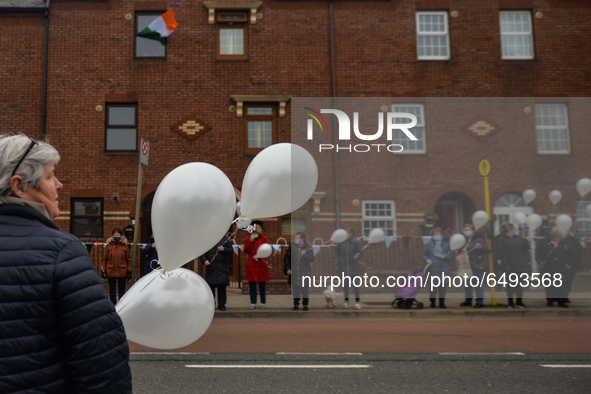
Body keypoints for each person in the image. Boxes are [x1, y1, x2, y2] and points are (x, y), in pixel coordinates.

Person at [0, 134, 131, 393]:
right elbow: (102, 364)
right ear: (19, 185)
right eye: (50, 176)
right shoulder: (62, 252)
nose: (59, 185)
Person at [536, 227, 581, 308]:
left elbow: (572, 254)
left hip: (562, 267)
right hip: (548, 267)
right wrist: (540, 261)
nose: (553, 233)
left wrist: (570, 264)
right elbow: (538, 252)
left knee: (562, 284)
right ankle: (550, 300)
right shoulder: (544, 242)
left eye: (555, 232)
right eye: (552, 231)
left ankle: (561, 301)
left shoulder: (566, 243)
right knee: (549, 284)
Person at [495, 222, 530, 309]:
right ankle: (510, 302)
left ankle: (519, 301)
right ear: (509, 230)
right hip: (510, 266)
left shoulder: (519, 238)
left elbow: (526, 249)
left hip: (520, 265)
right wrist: (506, 265)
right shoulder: (501, 239)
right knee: (511, 285)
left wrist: (527, 242)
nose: (516, 230)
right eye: (514, 229)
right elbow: (501, 254)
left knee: (520, 285)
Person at [457, 223, 490, 308]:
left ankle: (480, 301)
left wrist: (480, 247)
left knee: (478, 283)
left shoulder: (478, 239)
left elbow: (485, 250)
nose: (466, 232)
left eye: (468, 230)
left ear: (473, 231)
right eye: (465, 230)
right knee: (467, 284)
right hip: (466, 265)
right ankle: (468, 300)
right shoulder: (462, 240)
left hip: (477, 264)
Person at [201, 228, 234, 311]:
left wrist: (224, 249)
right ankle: (212, 304)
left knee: (222, 288)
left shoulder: (225, 240)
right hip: (211, 268)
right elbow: (202, 253)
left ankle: (221, 305)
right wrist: (205, 260)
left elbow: (231, 250)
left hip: (221, 267)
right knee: (211, 288)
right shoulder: (208, 241)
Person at [422, 227, 453, 308]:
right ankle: (432, 302)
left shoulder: (446, 245)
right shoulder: (429, 244)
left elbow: (450, 256)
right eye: (434, 234)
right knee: (433, 287)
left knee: (442, 287)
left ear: (442, 235)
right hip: (433, 268)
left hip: (443, 268)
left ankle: (442, 302)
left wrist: (445, 257)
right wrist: (427, 259)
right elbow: (424, 254)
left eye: (438, 234)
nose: (435, 236)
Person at [284, 232, 315, 310]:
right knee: (296, 288)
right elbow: (287, 257)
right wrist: (288, 268)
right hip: (295, 271)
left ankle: (305, 304)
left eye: (297, 238)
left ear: (302, 239)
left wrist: (305, 255)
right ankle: (296, 304)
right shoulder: (292, 246)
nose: (295, 240)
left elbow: (312, 258)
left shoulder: (308, 247)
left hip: (305, 271)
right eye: (295, 238)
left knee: (304, 289)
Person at [101, 228, 132, 304]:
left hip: (122, 270)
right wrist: (103, 270)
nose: (116, 236)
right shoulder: (108, 246)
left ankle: (121, 305)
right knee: (112, 291)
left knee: (122, 291)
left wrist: (129, 270)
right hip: (111, 270)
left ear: (121, 236)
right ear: (112, 235)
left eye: (118, 235)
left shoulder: (125, 246)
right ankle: (113, 305)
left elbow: (128, 259)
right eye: (115, 235)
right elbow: (105, 259)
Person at [335, 228, 363, 309]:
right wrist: (337, 262)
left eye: (347, 233)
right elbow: (337, 253)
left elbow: (360, 252)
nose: (346, 235)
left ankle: (357, 302)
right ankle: (346, 301)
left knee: (356, 285)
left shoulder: (355, 242)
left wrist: (357, 255)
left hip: (353, 265)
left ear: (351, 234)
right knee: (345, 285)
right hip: (344, 266)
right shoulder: (340, 242)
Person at [244, 220, 270, 309]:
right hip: (252, 264)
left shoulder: (264, 239)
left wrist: (259, 255)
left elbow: (266, 250)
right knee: (252, 284)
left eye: (255, 231)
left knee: (262, 285)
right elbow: (246, 250)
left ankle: (263, 302)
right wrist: (250, 241)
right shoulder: (248, 239)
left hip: (261, 264)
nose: (254, 233)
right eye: (253, 231)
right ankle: (253, 302)